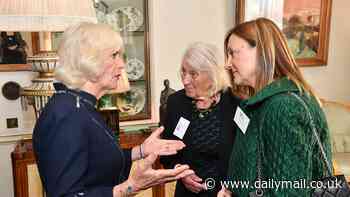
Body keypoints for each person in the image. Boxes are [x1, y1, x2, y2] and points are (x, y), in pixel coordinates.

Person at [32, 22, 194, 197]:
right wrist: (130, 187)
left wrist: (141, 150)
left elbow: (97, 161)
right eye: (114, 55)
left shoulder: (80, 105)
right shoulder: (66, 114)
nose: (122, 64)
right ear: (88, 60)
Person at [218, 18, 332, 196]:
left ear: (261, 51)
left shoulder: (283, 107)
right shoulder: (265, 102)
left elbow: (289, 192)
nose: (227, 63)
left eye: (233, 53)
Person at [160, 42, 240, 197]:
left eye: (193, 74)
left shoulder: (236, 102)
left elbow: (245, 156)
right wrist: (180, 171)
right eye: (183, 72)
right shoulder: (176, 102)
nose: (185, 80)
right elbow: (166, 152)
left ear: (212, 74)